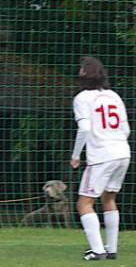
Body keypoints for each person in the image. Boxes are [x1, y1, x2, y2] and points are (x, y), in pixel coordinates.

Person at [70, 56, 130, 261]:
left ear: (84, 74)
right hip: (122, 152)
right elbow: (126, 129)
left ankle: (97, 250)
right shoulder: (114, 96)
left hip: (102, 155)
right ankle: (111, 248)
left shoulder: (82, 98)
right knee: (109, 198)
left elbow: (85, 128)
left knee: (84, 203)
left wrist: (76, 155)